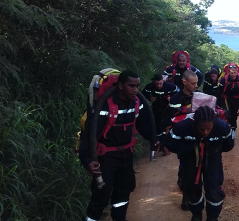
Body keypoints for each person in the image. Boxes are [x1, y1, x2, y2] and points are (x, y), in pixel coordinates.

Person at [79, 70, 158, 221]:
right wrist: (87, 160)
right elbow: (88, 135)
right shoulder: (105, 106)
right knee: (100, 196)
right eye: (131, 86)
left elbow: (143, 124)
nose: (135, 90)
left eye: (137, 86)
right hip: (106, 158)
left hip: (126, 156)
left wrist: (154, 139)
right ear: (121, 85)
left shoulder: (137, 103)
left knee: (124, 191)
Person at [165, 105, 235, 221]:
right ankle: (196, 214)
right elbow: (170, 143)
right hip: (190, 158)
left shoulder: (222, 126)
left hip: (212, 158)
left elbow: (229, 145)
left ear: (214, 123)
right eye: (201, 129)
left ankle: (212, 217)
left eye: (209, 128)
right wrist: (188, 149)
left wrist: (214, 149)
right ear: (194, 123)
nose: (205, 132)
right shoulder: (183, 126)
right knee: (192, 189)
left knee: (214, 191)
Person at [164, 70, 200, 211]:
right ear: (184, 82)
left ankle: (195, 193)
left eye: (197, 83)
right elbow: (169, 120)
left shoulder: (200, 96)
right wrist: (167, 141)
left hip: (199, 137)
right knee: (186, 167)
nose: (196, 86)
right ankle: (186, 196)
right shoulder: (175, 99)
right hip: (183, 139)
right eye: (193, 83)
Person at [142, 74, 179, 156]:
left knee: (167, 126)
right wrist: (149, 98)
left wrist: (172, 98)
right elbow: (142, 96)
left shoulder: (170, 86)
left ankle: (166, 145)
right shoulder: (149, 87)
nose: (158, 86)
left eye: (160, 83)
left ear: (163, 81)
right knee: (156, 127)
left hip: (167, 109)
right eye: (156, 84)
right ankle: (159, 144)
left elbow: (179, 94)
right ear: (153, 82)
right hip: (156, 109)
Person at [217, 64, 239, 130]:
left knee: (234, 117)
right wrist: (218, 105)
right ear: (228, 72)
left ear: (237, 72)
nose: (233, 74)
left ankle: (232, 131)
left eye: (234, 73)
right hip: (226, 99)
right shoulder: (224, 79)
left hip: (236, 100)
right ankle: (226, 130)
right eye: (231, 73)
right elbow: (219, 93)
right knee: (226, 115)